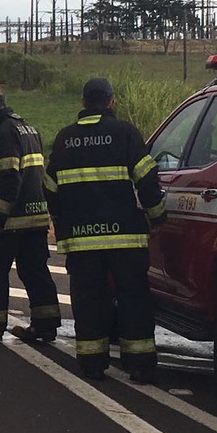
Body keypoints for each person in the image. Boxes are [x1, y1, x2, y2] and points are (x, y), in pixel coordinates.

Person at [44, 77, 166, 384]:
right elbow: (148, 181)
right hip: (125, 238)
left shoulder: (64, 138)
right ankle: (139, 365)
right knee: (133, 298)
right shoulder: (125, 133)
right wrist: (157, 216)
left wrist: (61, 222)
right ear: (111, 102)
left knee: (88, 299)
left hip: (82, 240)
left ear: (83, 103)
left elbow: (50, 188)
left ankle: (91, 364)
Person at [0, 88, 61, 343]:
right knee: (35, 271)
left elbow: (10, 179)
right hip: (36, 216)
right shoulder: (27, 128)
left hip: (12, 220)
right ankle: (46, 325)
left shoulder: (4, 132)